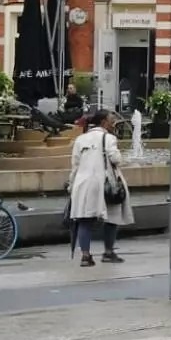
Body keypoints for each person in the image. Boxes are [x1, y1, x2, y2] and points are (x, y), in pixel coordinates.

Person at [67, 108, 132, 267]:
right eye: (111, 121)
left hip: (83, 183)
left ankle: (85, 256)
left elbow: (75, 165)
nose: (113, 123)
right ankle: (108, 252)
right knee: (112, 217)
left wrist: (71, 184)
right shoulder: (108, 138)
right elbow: (115, 158)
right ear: (103, 122)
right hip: (104, 183)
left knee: (84, 219)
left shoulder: (80, 139)